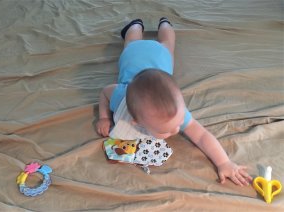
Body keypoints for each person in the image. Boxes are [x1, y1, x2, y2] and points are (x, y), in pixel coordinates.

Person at [96, 18, 252, 186]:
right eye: (166, 131)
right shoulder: (120, 97)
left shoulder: (176, 112)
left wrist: (224, 163)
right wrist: (104, 117)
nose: (177, 129)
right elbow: (105, 93)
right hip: (133, 53)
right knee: (132, 43)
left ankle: (160, 25)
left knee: (167, 47)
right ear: (137, 122)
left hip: (160, 57)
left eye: (177, 124)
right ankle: (140, 26)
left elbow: (202, 136)